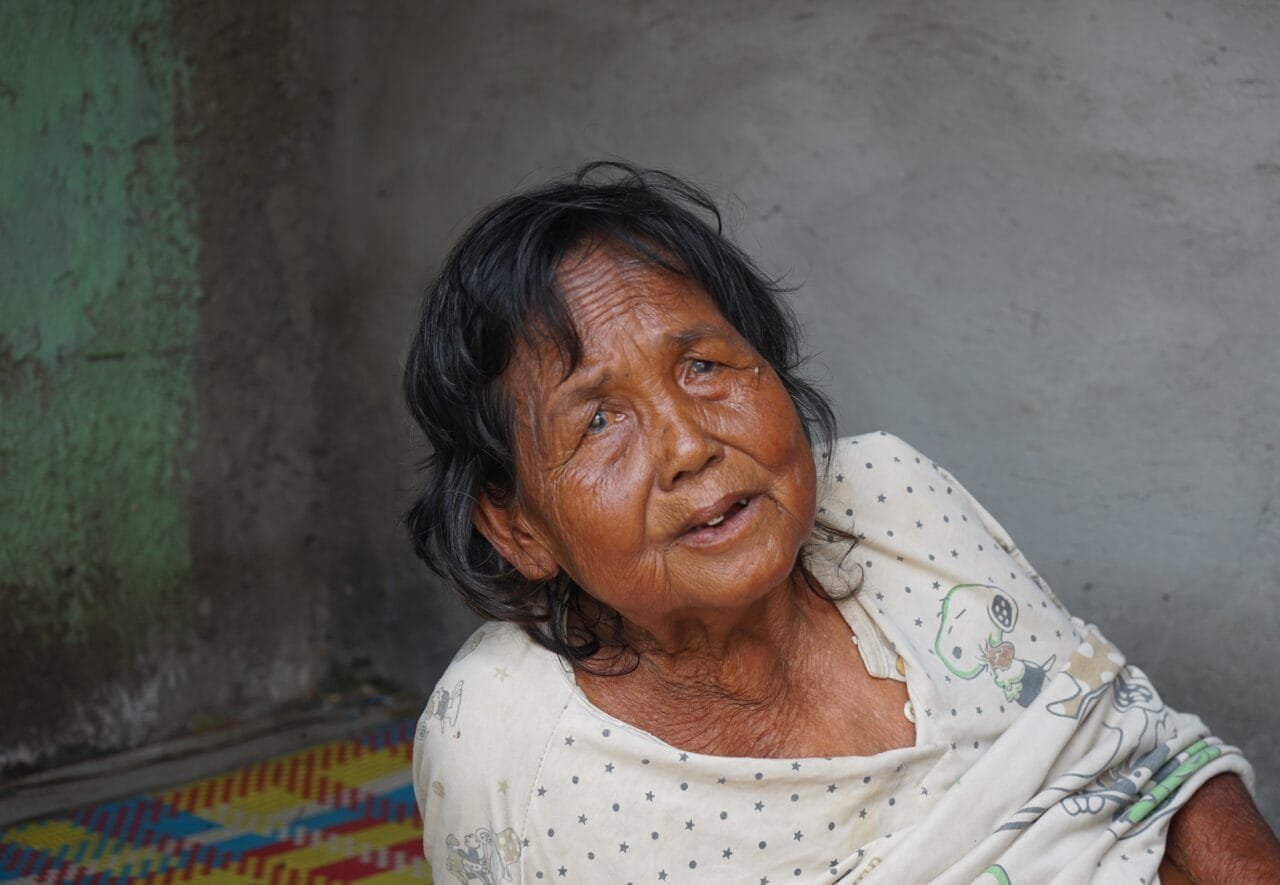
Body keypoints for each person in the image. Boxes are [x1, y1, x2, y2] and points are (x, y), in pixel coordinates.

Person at [404, 162, 1280, 883]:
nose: (688, 445)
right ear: (516, 526)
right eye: (599, 420)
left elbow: (1142, 753)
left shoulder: (892, 495)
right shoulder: (504, 740)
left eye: (704, 365)